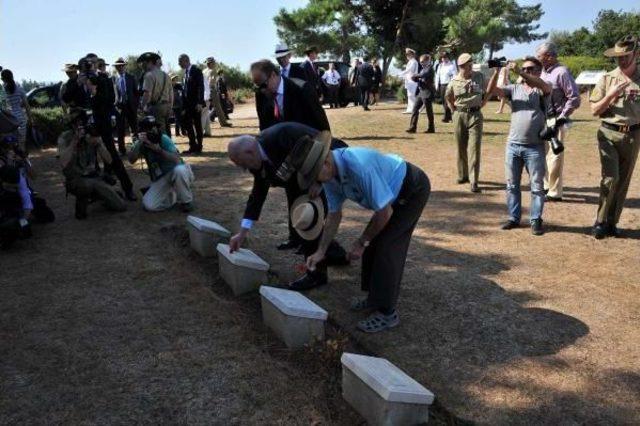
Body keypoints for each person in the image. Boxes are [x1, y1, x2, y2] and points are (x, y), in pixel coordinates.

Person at [298, 139, 431, 333]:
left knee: (387, 246)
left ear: (325, 163)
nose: (315, 183)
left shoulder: (360, 167)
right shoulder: (329, 176)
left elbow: (385, 213)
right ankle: (374, 299)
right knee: (373, 242)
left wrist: (361, 242)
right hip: (389, 196)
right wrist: (321, 251)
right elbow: (334, 215)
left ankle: (387, 313)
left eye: (314, 177)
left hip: (412, 189)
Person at [227, 122, 348, 290]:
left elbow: (320, 149)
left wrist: (318, 181)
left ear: (249, 151)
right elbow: (257, 195)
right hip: (304, 178)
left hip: (331, 164)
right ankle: (336, 255)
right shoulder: (256, 160)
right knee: (302, 217)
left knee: (308, 219)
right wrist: (242, 233)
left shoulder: (282, 136)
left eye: (241, 163)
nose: (242, 168)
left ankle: (316, 274)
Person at [486, 58, 552, 236]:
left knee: (537, 186)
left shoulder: (543, 88)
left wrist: (519, 72)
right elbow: (491, 91)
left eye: (530, 69)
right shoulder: (514, 89)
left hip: (534, 146)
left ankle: (536, 219)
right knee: (511, 185)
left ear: (539, 71)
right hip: (513, 145)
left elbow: (544, 87)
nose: (526, 71)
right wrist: (496, 72)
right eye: (524, 69)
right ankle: (514, 218)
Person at [589, 35, 640, 239]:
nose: (622, 60)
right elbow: (594, 109)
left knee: (623, 182)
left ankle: (612, 222)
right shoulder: (607, 78)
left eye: (626, 55)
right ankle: (600, 221)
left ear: (636, 54)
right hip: (609, 133)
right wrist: (610, 96)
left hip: (634, 135)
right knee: (611, 178)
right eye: (618, 56)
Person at [79, 61, 137, 201]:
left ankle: (127, 188)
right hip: (84, 127)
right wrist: (79, 82)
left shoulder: (104, 80)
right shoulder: (77, 83)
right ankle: (90, 194)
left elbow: (109, 100)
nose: (90, 67)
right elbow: (68, 99)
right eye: (87, 64)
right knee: (87, 162)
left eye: (92, 64)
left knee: (113, 157)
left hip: (102, 126)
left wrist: (95, 85)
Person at [57, 108, 126, 219]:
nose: (81, 126)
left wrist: (99, 144)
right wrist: (75, 141)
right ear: (72, 125)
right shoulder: (65, 137)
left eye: (83, 123)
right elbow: (63, 163)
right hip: (75, 179)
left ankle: (97, 196)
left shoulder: (91, 134)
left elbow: (109, 160)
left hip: (94, 177)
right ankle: (83, 198)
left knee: (120, 205)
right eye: (78, 123)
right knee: (87, 185)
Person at [536, 41, 581, 203]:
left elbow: (574, 98)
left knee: (555, 157)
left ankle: (555, 193)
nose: (537, 59)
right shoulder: (542, 72)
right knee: (543, 154)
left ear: (548, 56)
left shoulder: (562, 72)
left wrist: (562, 117)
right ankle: (547, 185)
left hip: (558, 119)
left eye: (539, 56)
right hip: (543, 119)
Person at [128, 116, 195, 212]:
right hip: (160, 178)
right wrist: (139, 143)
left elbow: (176, 159)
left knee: (180, 170)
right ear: (142, 130)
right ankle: (172, 196)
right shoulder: (141, 142)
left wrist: (159, 150)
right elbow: (131, 160)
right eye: (149, 128)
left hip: (175, 172)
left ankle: (186, 201)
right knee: (149, 206)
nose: (152, 130)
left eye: (154, 127)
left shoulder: (163, 138)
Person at [250, 59, 330, 132]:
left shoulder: (302, 89)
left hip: (306, 142)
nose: (262, 90)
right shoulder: (260, 95)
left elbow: (321, 124)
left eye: (263, 85)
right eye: (257, 87)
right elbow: (264, 127)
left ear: (273, 75)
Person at [446, 53, 487, 193]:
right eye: (466, 66)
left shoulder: (479, 77)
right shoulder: (454, 81)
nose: (469, 68)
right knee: (460, 146)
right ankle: (462, 175)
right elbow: (448, 97)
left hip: (475, 115)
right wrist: (453, 111)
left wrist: (483, 102)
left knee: (474, 148)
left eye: (471, 65)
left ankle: (474, 181)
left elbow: (487, 91)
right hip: (459, 114)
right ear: (460, 67)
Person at [138, 52, 173, 137]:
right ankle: (171, 148)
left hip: (156, 108)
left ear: (149, 62)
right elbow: (171, 94)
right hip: (167, 106)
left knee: (160, 133)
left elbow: (147, 94)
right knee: (167, 131)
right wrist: (170, 108)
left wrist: (142, 107)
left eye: (144, 63)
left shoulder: (149, 75)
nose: (142, 65)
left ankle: (166, 149)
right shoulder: (166, 75)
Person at [179, 54, 205, 154]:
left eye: (180, 62)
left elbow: (200, 87)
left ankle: (199, 146)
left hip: (196, 104)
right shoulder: (185, 73)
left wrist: (200, 102)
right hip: (187, 105)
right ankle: (192, 146)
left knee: (197, 125)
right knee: (188, 125)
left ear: (186, 60)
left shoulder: (196, 71)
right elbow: (185, 90)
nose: (179, 64)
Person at [113, 58, 139, 156]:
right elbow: (114, 94)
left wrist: (136, 105)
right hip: (120, 107)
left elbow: (136, 93)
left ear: (125, 66)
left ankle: (136, 150)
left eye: (121, 65)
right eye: (117, 66)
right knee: (120, 130)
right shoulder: (114, 79)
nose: (119, 67)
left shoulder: (131, 77)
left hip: (131, 106)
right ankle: (122, 150)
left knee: (134, 129)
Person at [1, 69, 32, 152]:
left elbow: (3, 108)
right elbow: (26, 105)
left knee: (12, 143)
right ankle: (24, 162)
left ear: (3, 79)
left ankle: (14, 162)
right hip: (21, 118)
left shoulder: (3, 91)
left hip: (10, 120)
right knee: (22, 142)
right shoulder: (19, 88)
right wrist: (30, 119)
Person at [406, 54, 436, 134]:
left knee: (429, 111)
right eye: (420, 62)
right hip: (421, 92)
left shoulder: (429, 68)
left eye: (423, 62)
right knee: (415, 109)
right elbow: (420, 79)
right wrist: (415, 78)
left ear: (428, 61)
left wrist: (415, 75)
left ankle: (431, 128)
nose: (421, 63)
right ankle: (412, 127)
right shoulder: (423, 69)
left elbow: (423, 75)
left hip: (427, 92)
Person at [204, 57, 232, 128]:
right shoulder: (213, 71)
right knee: (218, 107)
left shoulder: (203, 71)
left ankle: (205, 124)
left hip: (205, 91)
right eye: (214, 62)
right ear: (211, 63)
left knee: (205, 108)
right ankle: (223, 123)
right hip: (212, 90)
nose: (215, 64)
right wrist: (210, 87)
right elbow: (212, 81)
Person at [435, 52, 457, 123]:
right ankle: (449, 117)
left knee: (448, 101)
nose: (444, 59)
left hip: (449, 84)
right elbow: (437, 76)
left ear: (448, 57)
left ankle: (447, 117)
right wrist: (436, 85)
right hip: (442, 85)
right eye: (442, 58)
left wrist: (453, 85)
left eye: (445, 57)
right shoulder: (440, 66)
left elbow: (454, 76)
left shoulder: (452, 65)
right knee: (444, 101)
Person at [399, 48, 419, 114]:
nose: (407, 56)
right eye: (406, 54)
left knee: (412, 95)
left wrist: (401, 73)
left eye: (408, 54)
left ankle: (414, 109)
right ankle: (410, 109)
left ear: (412, 55)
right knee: (409, 95)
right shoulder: (410, 61)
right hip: (409, 81)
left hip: (412, 81)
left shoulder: (413, 62)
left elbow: (410, 70)